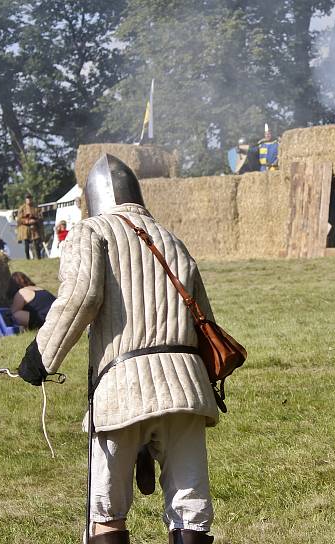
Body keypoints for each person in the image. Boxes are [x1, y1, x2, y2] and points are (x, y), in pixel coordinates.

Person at [17, 154, 219, 544]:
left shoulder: (90, 231)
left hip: (122, 391)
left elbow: (81, 295)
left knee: (106, 513)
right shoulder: (172, 239)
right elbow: (204, 321)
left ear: (92, 198)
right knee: (191, 513)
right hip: (187, 389)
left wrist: (40, 357)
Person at [16, 193, 43, 259]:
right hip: (25, 228)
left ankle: (39, 258)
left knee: (37, 243)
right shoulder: (22, 208)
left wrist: (35, 220)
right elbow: (19, 219)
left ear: (32, 199)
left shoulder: (36, 207)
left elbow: (41, 217)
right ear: (25, 200)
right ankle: (28, 258)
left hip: (34, 227)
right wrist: (27, 221)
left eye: (30, 198)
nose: (29, 200)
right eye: (27, 198)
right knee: (26, 244)